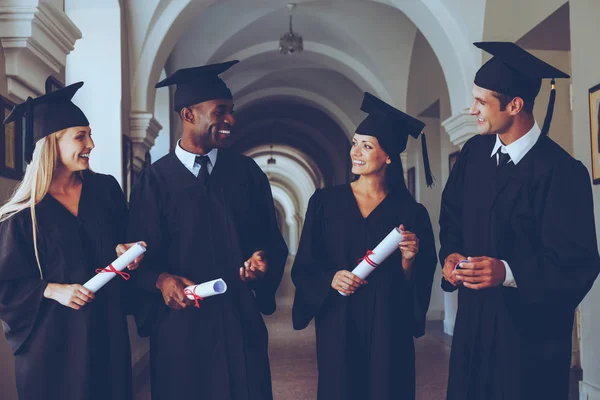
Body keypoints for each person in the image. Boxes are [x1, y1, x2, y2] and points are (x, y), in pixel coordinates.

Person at [439, 42, 600, 400]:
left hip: (528, 339)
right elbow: (451, 216)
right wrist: (450, 255)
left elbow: (578, 263)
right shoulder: (474, 155)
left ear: (514, 105)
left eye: (482, 102)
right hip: (474, 327)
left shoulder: (562, 172)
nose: (473, 109)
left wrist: (508, 273)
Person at [127, 61, 288, 400]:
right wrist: (161, 280)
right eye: (220, 112)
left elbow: (271, 241)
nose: (230, 120)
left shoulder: (246, 174)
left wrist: (262, 261)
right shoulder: (153, 182)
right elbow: (138, 258)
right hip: (181, 327)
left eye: (231, 111)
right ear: (189, 115)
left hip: (238, 319)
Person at [0, 82, 143, 400]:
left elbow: (123, 242)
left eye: (89, 134)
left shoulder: (105, 191)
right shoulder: (23, 214)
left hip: (105, 332)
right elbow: (5, 284)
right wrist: (52, 289)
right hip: (51, 345)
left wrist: (126, 252)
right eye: (81, 135)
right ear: (51, 143)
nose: (91, 143)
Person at [291, 92, 438, 400]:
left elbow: (419, 282)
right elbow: (305, 265)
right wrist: (330, 278)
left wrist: (409, 261)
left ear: (388, 156)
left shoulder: (411, 213)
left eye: (367, 145)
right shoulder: (325, 203)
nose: (355, 152)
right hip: (338, 324)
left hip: (389, 327)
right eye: (355, 142)